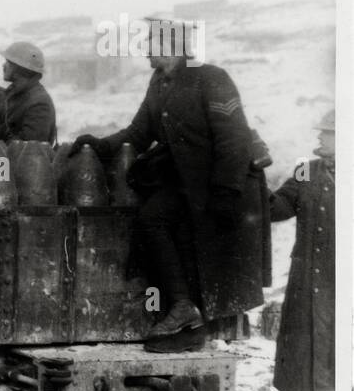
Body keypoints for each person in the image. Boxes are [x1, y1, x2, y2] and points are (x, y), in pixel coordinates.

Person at [70, 24, 265, 347]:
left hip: (217, 184)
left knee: (162, 223)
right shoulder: (159, 82)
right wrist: (101, 145)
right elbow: (138, 132)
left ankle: (186, 314)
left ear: (173, 47)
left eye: (151, 43)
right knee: (152, 219)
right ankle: (183, 311)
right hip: (186, 183)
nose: (146, 50)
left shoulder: (211, 77)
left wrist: (226, 192)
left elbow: (234, 139)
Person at [264, 110, 335, 391]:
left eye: (329, 133)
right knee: (298, 359)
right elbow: (278, 207)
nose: (320, 138)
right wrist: (252, 184)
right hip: (307, 284)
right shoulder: (308, 169)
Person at [0, 41, 57, 143]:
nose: (3, 65)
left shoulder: (39, 103)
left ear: (19, 68)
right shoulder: (13, 93)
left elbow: (29, 148)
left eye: (8, 62)